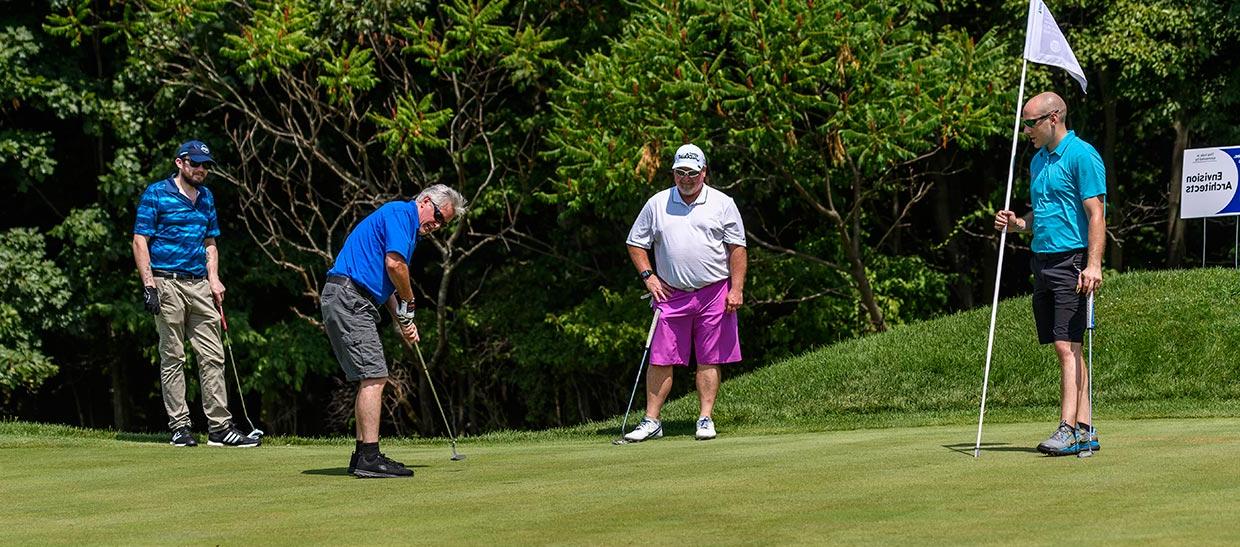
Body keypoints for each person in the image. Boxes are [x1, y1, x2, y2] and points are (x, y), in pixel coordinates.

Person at [322, 184, 466, 478]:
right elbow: (395, 265)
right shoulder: (402, 214)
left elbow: (385, 282)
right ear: (425, 201)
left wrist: (402, 319)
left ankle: (363, 455)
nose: (436, 226)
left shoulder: (405, 225)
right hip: (350, 297)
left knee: (370, 375)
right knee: (375, 375)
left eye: (443, 224)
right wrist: (410, 301)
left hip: (353, 297)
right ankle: (369, 459)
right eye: (437, 217)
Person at [994, 91, 1105, 456]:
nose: (1026, 130)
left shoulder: (1082, 155)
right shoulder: (1038, 162)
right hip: (1041, 261)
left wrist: (1093, 264)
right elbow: (1042, 214)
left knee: (1066, 345)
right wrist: (1018, 224)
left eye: (1030, 123)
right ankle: (1086, 427)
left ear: (1053, 118)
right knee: (1068, 346)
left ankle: (1067, 429)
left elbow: (1095, 215)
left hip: (1071, 261)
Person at [132, 140, 259, 448]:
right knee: (173, 356)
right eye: (196, 163)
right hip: (167, 282)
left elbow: (210, 242)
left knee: (212, 355)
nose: (202, 169)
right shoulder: (157, 193)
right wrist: (149, 285)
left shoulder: (206, 198)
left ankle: (219, 428)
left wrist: (214, 279)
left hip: (199, 284)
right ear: (180, 162)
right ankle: (180, 426)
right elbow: (140, 240)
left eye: (206, 165)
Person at [623, 143, 747, 442]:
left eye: (692, 172)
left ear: (703, 172)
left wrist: (737, 288)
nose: (686, 178)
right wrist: (648, 277)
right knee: (661, 358)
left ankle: (705, 418)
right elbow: (635, 242)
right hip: (670, 293)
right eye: (680, 172)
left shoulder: (722, 203)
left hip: (714, 291)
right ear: (674, 173)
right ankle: (652, 421)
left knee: (709, 357)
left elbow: (737, 248)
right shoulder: (657, 203)